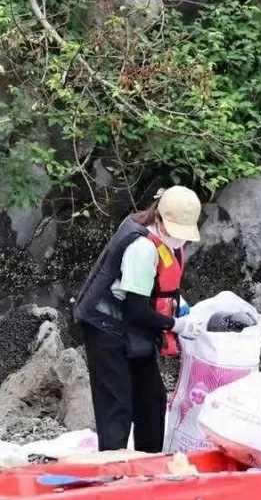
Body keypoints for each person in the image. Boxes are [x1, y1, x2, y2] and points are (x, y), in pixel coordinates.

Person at [72, 186, 205, 453]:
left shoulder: (166, 243)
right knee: (116, 405)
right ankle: (111, 473)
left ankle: (149, 464)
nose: (180, 239)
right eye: (175, 231)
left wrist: (179, 307)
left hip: (134, 326)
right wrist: (175, 326)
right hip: (106, 327)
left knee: (152, 399)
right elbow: (137, 309)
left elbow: (157, 289)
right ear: (160, 218)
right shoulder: (142, 248)